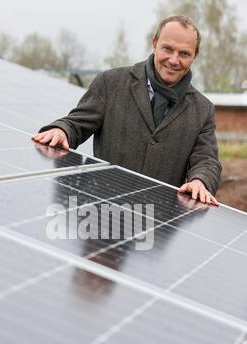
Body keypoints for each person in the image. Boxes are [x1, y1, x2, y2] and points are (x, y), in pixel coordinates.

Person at [32, 15, 221, 206]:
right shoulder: (110, 83)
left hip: (158, 224)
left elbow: (207, 160)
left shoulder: (203, 109)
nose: (174, 60)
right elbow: (76, 124)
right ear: (154, 43)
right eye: (168, 49)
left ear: (195, 56)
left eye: (184, 54)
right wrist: (62, 130)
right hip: (103, 215)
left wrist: (200, 180)